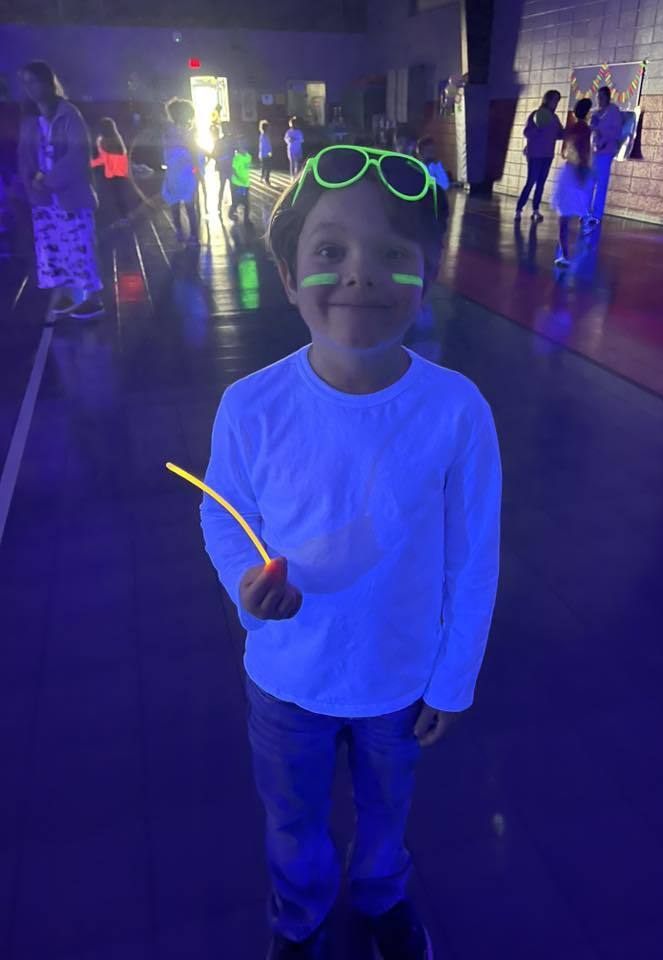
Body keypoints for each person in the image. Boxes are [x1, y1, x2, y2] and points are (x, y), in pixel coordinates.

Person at [199, 144, 501, 960]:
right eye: (330, 250)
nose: (359, 274)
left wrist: (454, 676)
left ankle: (380, 897)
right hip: (287, 676)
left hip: (397, 680)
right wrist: (245, 583)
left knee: (387, 809)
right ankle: (300, 917)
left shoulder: (455, 411)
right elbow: (224, 515)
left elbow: (473, 556)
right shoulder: (251, 406)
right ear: (288, 276)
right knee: (292, 816)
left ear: (426, 276)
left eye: (391, 253)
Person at [17, 60, 104, 319]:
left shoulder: (68, 114)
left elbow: (77, 154)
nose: (30, 87)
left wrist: (48, 180)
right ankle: (64, 293)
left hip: (69, 193)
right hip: (44, 198)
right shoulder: (31, 121)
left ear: (48, 82)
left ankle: (93, 298)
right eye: (26, 82)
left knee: (80, 244)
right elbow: (25, 156)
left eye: (34, 81)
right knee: (53, 245)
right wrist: (31, 181)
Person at [551, 98, 593, 268]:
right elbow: (584, 152)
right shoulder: (586, 130)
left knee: (564, 217)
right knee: (571, 212)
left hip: (569, 171)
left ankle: (566, 255)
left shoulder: (573, 129)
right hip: (578, 171)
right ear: (588, 113)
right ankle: (568, 253)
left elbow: (567, 152)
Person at [515, 89, 564, 223]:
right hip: (535, 154)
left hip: (547, 155)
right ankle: (519, 209)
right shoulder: (537, 114)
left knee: (541, 183)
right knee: (531, 181)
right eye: (554, 100)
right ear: (547, 100)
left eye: (557, 101)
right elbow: (527, 132)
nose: (556, 103)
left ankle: (535, 210)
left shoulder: (554, 118)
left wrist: (571, 131)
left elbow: (560, 134)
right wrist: (538, 129)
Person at [162, 97, 199, 245]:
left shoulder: (168, 132)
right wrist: (196, 169)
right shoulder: (188, 132)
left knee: (175, 204)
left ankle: (179, 232)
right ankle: (194, 236)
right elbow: (194, 152)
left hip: (174, 172)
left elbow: (166, 152)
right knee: (190, 206)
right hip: (187, 172)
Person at [586, 85, 623, 227]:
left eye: (602, 97)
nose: (599, 100)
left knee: (601, 184)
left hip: (606, 152)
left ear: (608, 97)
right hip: (593, 152)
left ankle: (596, 215)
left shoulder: (614, 111)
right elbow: (591, 130)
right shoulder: (595, 113)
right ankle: (585, 213)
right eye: (598, 97)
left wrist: (604, 139)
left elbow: (616, 132)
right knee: (589, 183)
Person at [91, 117, 130, 225]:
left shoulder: (104, 141)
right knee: (119, 195)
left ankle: (115, 218)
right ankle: (124, 217)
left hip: (110, 172)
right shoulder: (117, 138)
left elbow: (103, 159)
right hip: (120, 172)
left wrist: (90, 163)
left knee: (109, 195)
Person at [213, 120, 235, 215]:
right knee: (230, 187)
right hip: (228, 167)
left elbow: (214, 154)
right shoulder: (231, 141)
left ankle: (220, 205)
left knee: (223, 186)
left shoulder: (219, 142)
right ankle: (231, 207)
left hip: (225, 167)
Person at [228, 135, 251, 223]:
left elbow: (247, 169)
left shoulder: (248, 156)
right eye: (241, 144)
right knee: (237, 202)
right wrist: (239, 178)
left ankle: (246, 219)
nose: (243, 145)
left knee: (246, 203)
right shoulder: (237, 157)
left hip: (245, 183)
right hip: (237, 184)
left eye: (244, 143)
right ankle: (231, 214)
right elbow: (233, 170)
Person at [259, 119, 273, 185]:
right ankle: (266, 179)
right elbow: (268, 146)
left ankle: (262, 177)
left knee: (264, 166)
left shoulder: (262, 136)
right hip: (266, 154)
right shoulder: (266, 136)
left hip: (262, 154)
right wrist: (270, 153)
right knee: (268, 167)